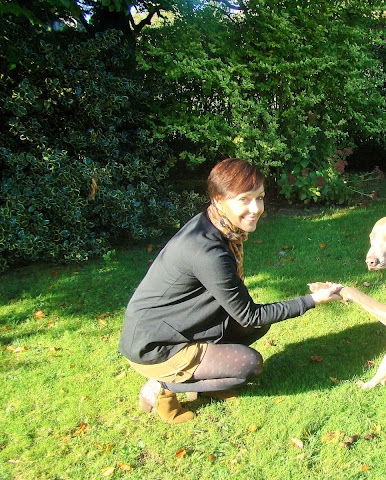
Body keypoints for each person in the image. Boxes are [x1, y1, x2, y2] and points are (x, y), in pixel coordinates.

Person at [118, 158, 343, 424]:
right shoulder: (208, 251)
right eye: (244, 199)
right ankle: (161, 386)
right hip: (155, 346)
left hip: (175, 326)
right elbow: (250, 315)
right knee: (248, 365)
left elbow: (247, 317)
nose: (256, 208)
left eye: (259, 198)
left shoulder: (214, 224)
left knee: (257, 326)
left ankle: (203, 381)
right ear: (219, 199)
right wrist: (312, 300)